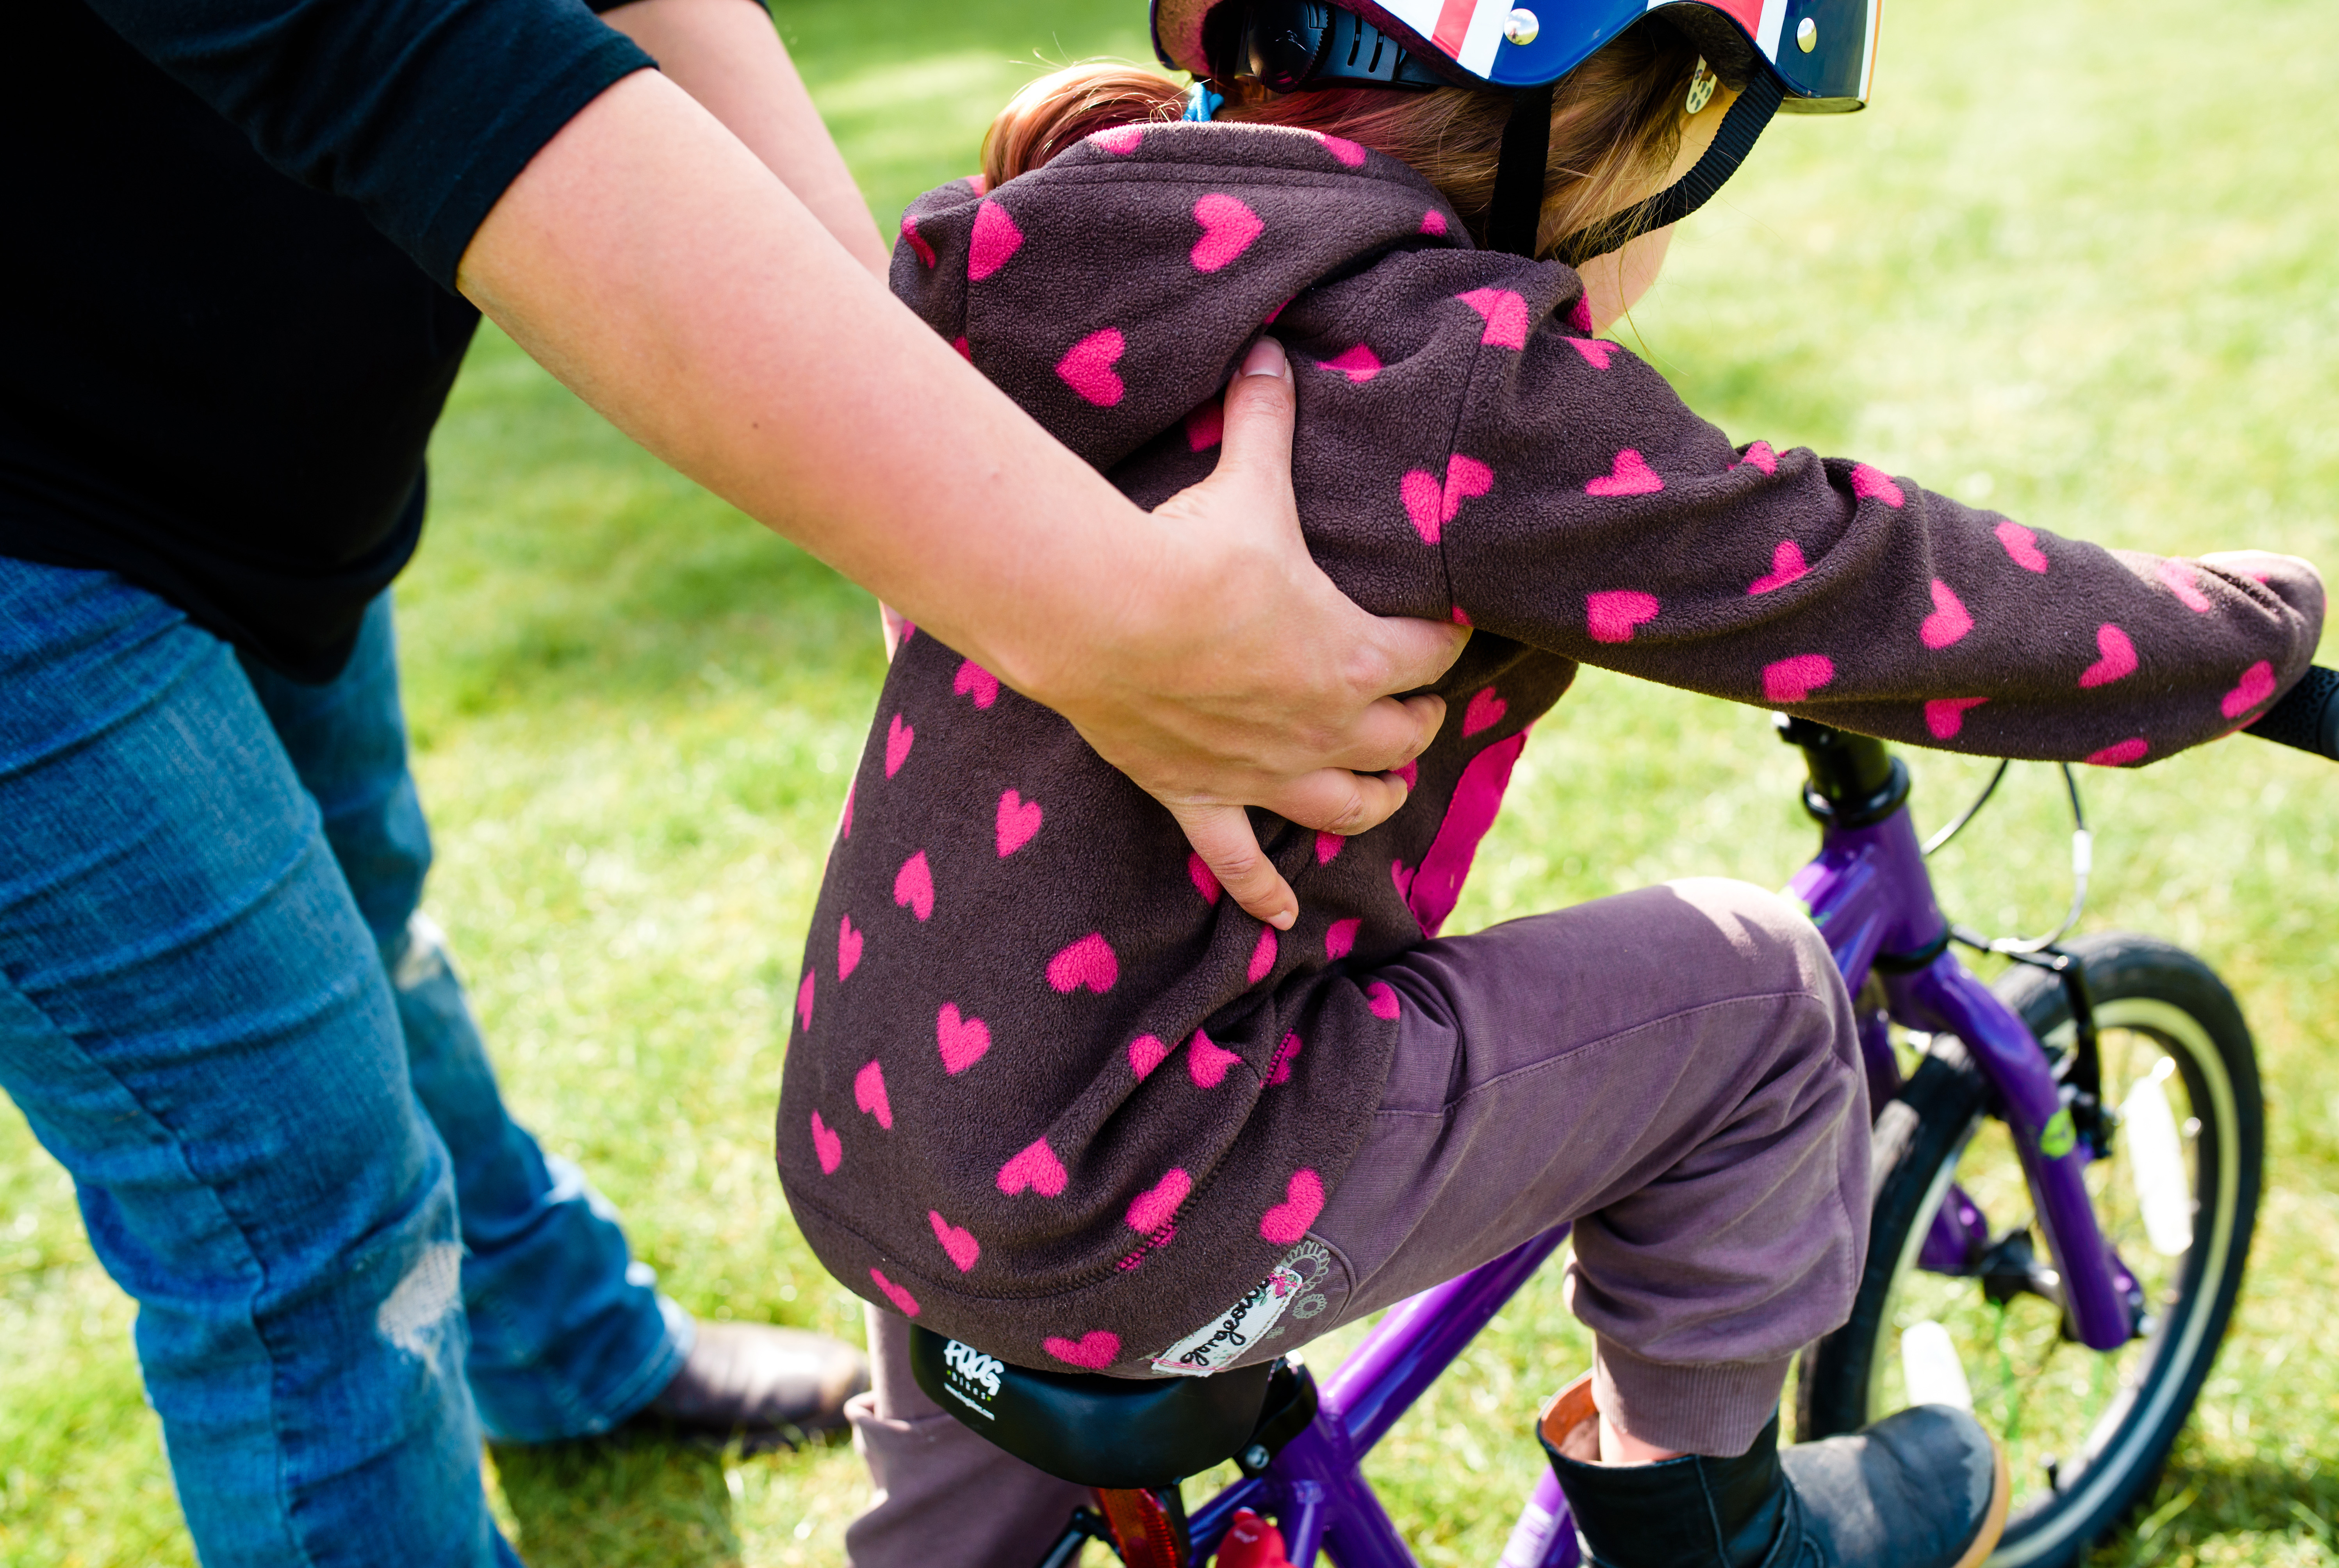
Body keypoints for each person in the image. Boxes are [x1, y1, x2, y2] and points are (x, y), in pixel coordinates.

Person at [772, 3, 2329, 1566]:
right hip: (1150, 1182)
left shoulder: (1083, 236)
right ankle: (1717, 1531)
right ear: (1595, 140)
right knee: (1760, 997)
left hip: (893, 1129)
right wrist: (2231, 635)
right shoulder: (1442, 373)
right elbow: (1852, 577)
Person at [0, 0, 1466, 1561]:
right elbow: (415, 50)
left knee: (373, 924)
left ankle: (560, 1342)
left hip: (224, 468)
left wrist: (961, 516)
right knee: (296, 1208)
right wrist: (1087, 607)